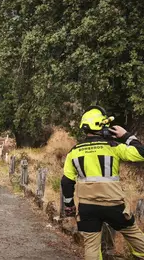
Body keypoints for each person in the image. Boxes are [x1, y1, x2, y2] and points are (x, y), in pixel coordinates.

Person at [61, 105, 144, 259]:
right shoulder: (114, 147)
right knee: (137, 239)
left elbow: (66, 182)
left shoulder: (73, 152)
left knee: (91, 249)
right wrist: (126, 136)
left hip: (87, 208)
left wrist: (69, 205)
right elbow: (141, 154)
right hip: (114, 206)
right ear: (102, 126)